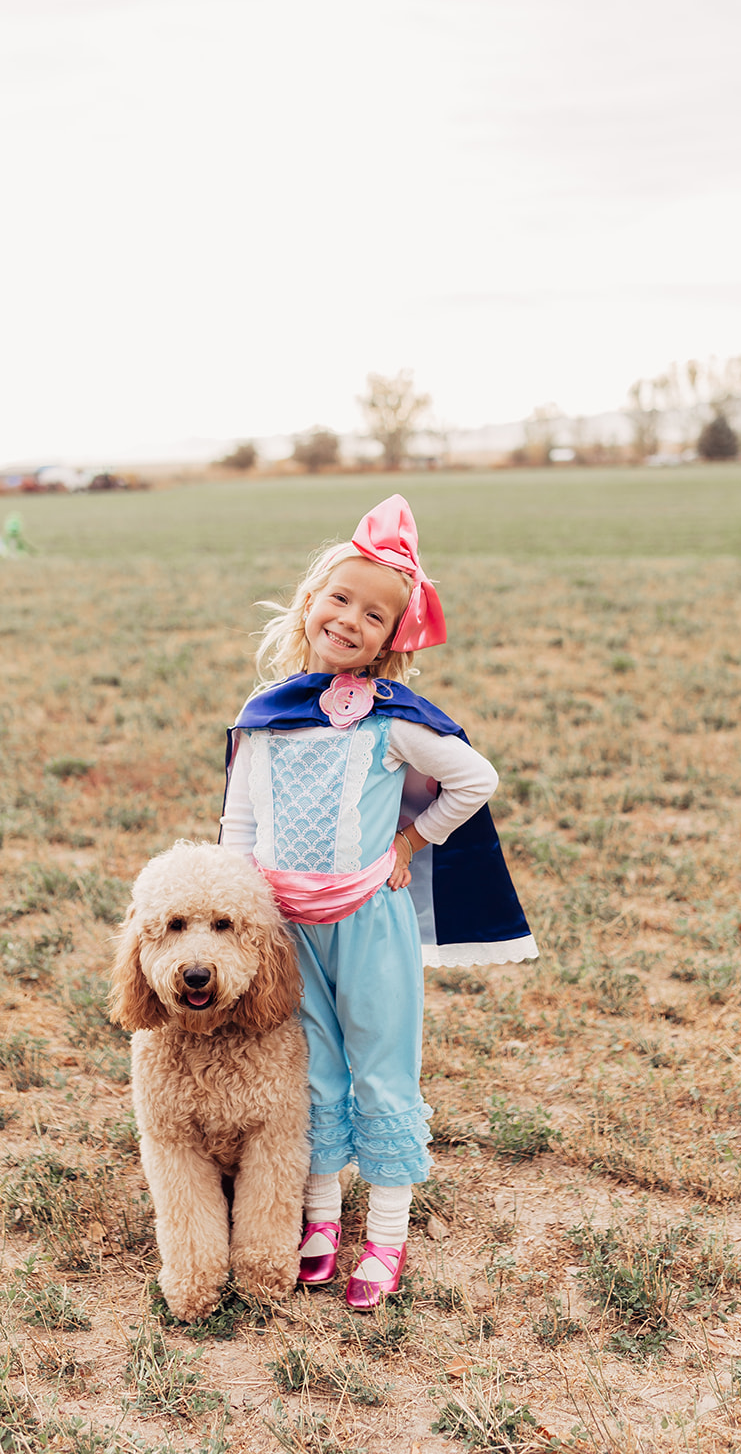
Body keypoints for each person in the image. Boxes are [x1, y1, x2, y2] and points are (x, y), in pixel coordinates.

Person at [220, 494, 536, 1309]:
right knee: (315, 1072)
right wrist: (236, 915)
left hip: (367, 922)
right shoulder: (265, 719)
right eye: (339, 599)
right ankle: (320, 1220)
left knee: (382, 1073)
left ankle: (386, 1236)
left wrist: (407, 842)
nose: (351, 620)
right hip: (286, 930)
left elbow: (475, 777)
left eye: (375, 614)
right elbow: (240, 820)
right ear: (309, 603)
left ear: (392, 637)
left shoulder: (391, 724)